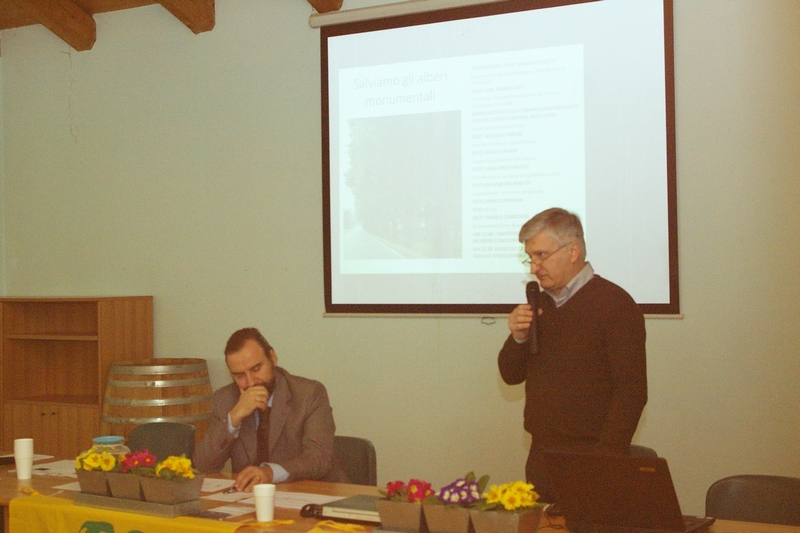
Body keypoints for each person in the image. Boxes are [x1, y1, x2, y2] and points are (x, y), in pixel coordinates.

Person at [498, 208, 647, 502]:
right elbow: (510, 375)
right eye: (530, 258)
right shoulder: (539, 303)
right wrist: (518, 338)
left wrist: (605, 460)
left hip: (593, 457)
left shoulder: (614, 304)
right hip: (542, 455)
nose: (534, 267)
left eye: (541, 255)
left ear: (573, 251)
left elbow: (631, 391)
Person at [193, 327, 346, 491]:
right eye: (239, 376)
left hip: (313, 495)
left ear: (272, 358)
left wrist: (270, 472)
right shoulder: (224, 399)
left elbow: (319, 459)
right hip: (250, 501)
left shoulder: (309, 393)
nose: (251, 382)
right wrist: (234, 419)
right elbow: (203, 465)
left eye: (256, 369)